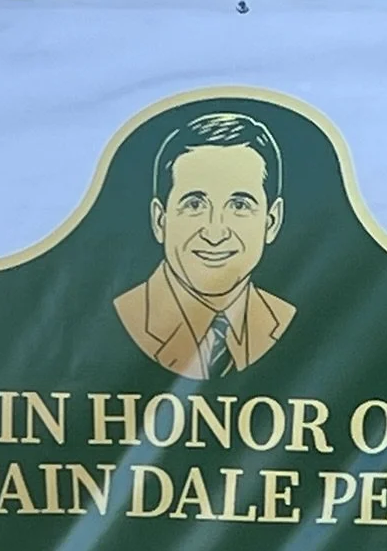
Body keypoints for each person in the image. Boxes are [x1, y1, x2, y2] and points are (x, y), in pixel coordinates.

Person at [114, 110, 297, 378]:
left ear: (271, 221)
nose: (215, 232)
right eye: (195, 204)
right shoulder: (115, 320)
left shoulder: (292, 323)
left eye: (239, 205)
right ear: (160, 220)